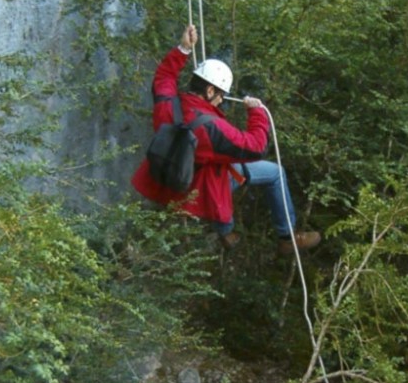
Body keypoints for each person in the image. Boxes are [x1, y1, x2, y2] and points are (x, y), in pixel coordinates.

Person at [132, 24, 321, 254]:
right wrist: (257, 113)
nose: (222, 101)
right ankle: (286, 237)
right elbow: (255, 147)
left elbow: (164, 77)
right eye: (221, 95)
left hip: (172, 176)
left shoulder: (168, 105)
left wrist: (183, 49)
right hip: (198, 185)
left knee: (219, 172)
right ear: (210, 91)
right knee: (273, 173)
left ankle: (226, 232)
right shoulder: (212, 128)